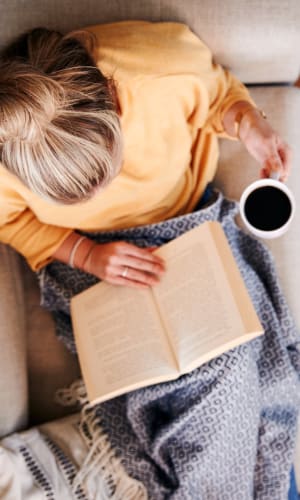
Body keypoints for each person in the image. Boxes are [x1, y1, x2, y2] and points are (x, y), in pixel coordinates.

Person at [0, 21, 299, 499]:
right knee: (156, 388)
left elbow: (219, 99)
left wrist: (248, 123)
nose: (102, 194)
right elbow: (9, 221)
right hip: (89, 259)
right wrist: (87, 253)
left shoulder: (160, 68)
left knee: (234, 363)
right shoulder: (6, 149)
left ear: (116, 99)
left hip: (187, 228)